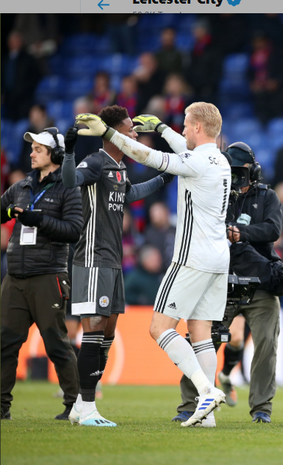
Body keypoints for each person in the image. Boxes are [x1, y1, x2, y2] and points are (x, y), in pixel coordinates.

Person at [72, 103, 231, 428]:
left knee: (159, 328)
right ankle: (209, 417)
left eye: (185, 125)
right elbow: (181, 149)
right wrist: (160, 129)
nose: (182, 130)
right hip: (219, 257)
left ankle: (205, 390)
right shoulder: (220, 159)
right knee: (201, 333)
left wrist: (108, 133)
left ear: (198, 127)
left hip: (192, 257)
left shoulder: (194, 161)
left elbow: (148, 157)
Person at [61, 105, 174, 427]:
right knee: (94, 329)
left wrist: (165, 177)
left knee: (107, 334)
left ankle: (82, 405)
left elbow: (131, 194)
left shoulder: (120, 168)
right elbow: (70, 183)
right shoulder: (95, 162)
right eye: (130, 130)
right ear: (112, 134)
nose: (135, 134)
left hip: (112, 262)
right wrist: (69, 151)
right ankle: (86, 406)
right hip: (92, 259)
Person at [174, 141, 283, 425]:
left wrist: (240, 233)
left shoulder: (267, 196)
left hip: (260, 283)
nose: (237, 178)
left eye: (241, 172)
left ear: (253, 171)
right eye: (233, 172)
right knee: (201, 341)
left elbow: (273, 229)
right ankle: (189, 405)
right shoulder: (215, 192)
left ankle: (261, 409)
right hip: (221, 282)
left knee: (266, 346)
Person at [1, 127, 82, 421]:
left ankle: (76, 405)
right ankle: (1, 408)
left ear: (55, 155)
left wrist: (41, 220)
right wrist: (9, 212)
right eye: (32, 148)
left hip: (48, 277)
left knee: (57, 345)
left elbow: (74, 231)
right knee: (5, 344)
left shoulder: (69, 188)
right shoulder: (21, 186)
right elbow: (0, 211)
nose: (31, 153)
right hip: (15, 278)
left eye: (38, 149)